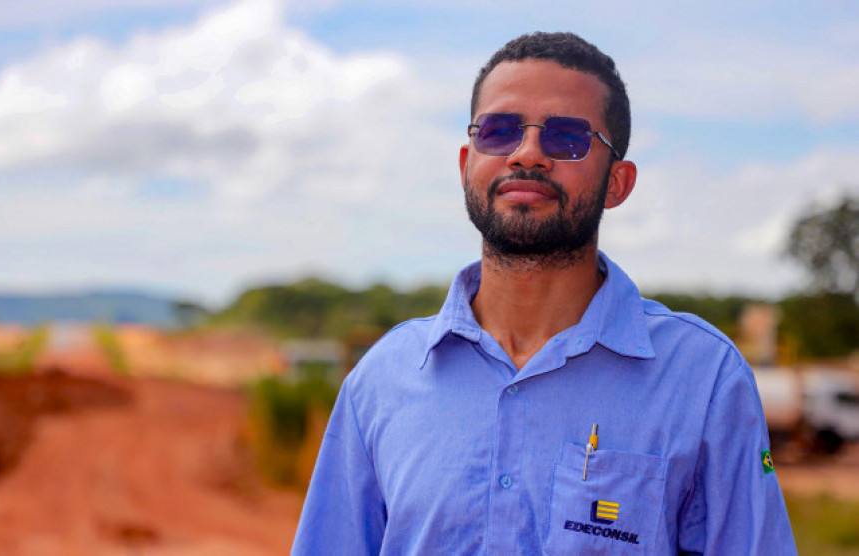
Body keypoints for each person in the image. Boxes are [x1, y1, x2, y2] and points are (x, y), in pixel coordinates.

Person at [292, 31, 797, 555]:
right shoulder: (382, 380)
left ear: (618, 183)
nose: (527, 153)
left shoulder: (704, 378)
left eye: (567, 138)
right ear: (467, 162)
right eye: (499, 130)